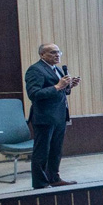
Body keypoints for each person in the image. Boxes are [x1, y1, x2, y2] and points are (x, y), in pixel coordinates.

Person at [25, 43, 80, 189]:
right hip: (44, 118)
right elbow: (34, 94)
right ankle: (40, 184)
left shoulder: (57, 69)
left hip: (59, 116)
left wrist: (69, 86)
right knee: (42, 152)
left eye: (58, 52)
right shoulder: (35, 70)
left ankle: (54, 179)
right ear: (42, 55)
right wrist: (58, 86)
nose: (57, 55)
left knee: (56, 150)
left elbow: (60, 91)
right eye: (52, 52)